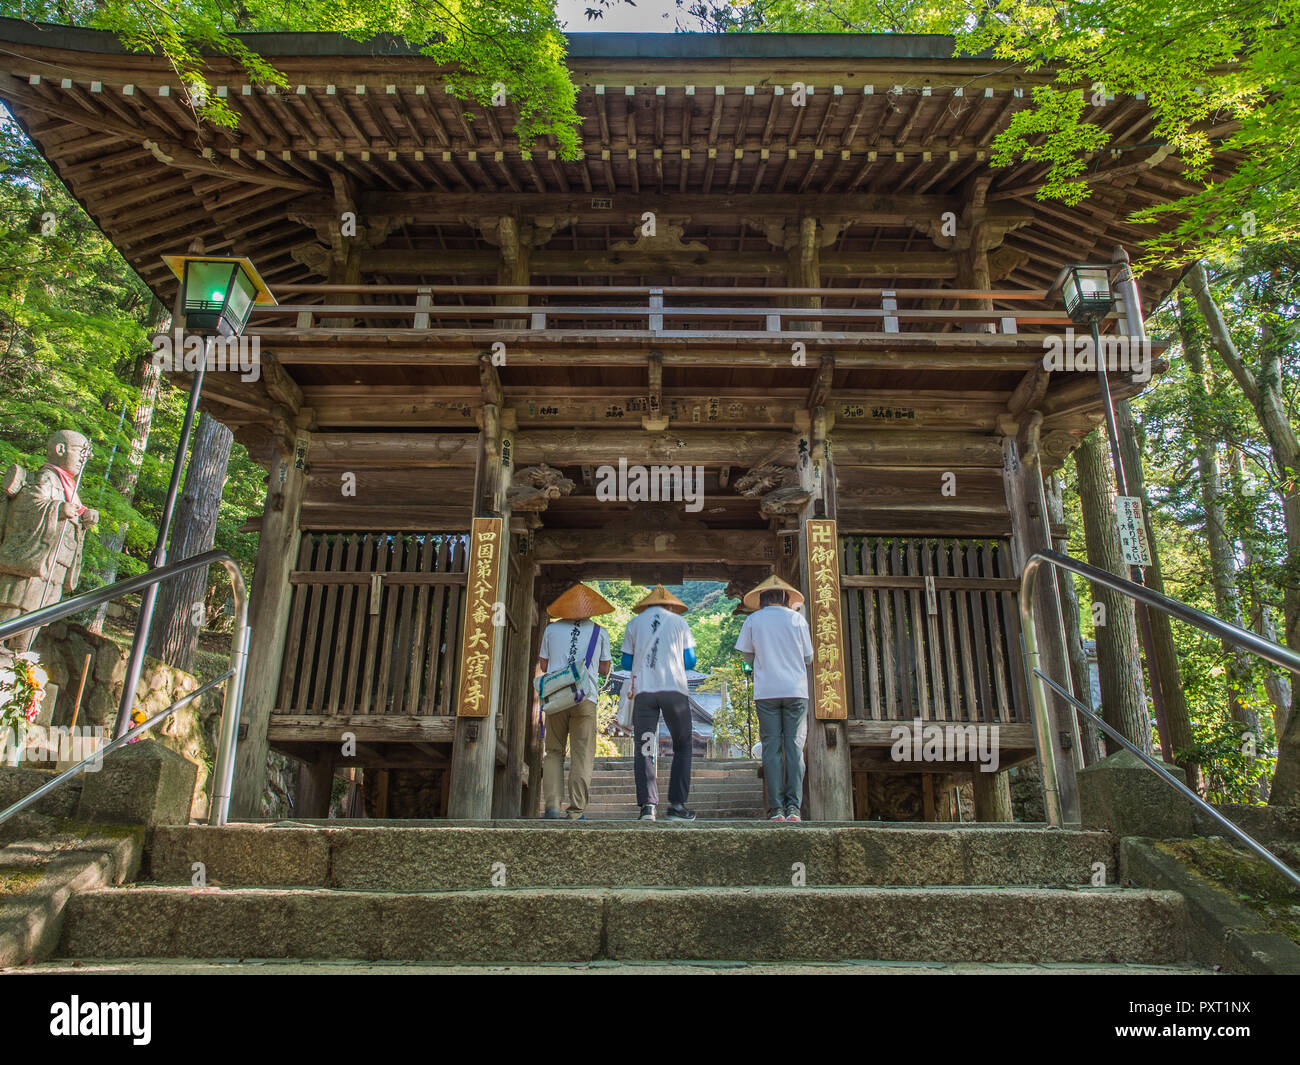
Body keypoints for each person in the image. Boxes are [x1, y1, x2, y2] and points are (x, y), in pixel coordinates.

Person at [735, 575, 813, 822]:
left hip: (766, 691)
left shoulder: (753, 620)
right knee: (794, 749)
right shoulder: (797, 620)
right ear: (785, 597)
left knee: (771, 748)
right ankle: (794, 809)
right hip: (796, 691)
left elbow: (747, 657)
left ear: (763, 598)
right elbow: (809, 657)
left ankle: (776, 809)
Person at [536, 582, 613, 820]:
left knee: (553, 752)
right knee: (581, 754)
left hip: (557, 697)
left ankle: (551, 807)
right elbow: (604, 668)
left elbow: (544, 665)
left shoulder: (551, 630)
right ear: (590, 609)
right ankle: (576, 810)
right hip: (585, 698)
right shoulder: (600, 632)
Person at [620, 585, 697, 822]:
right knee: (683, 744)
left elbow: (625, 662)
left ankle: (647, 806)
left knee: (645, 747)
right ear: (670, 605)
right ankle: (677, 805)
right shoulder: (679, 623)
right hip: (674, 690)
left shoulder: (634, 623)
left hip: (644, 692)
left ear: (646, 605)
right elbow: (690, 661)